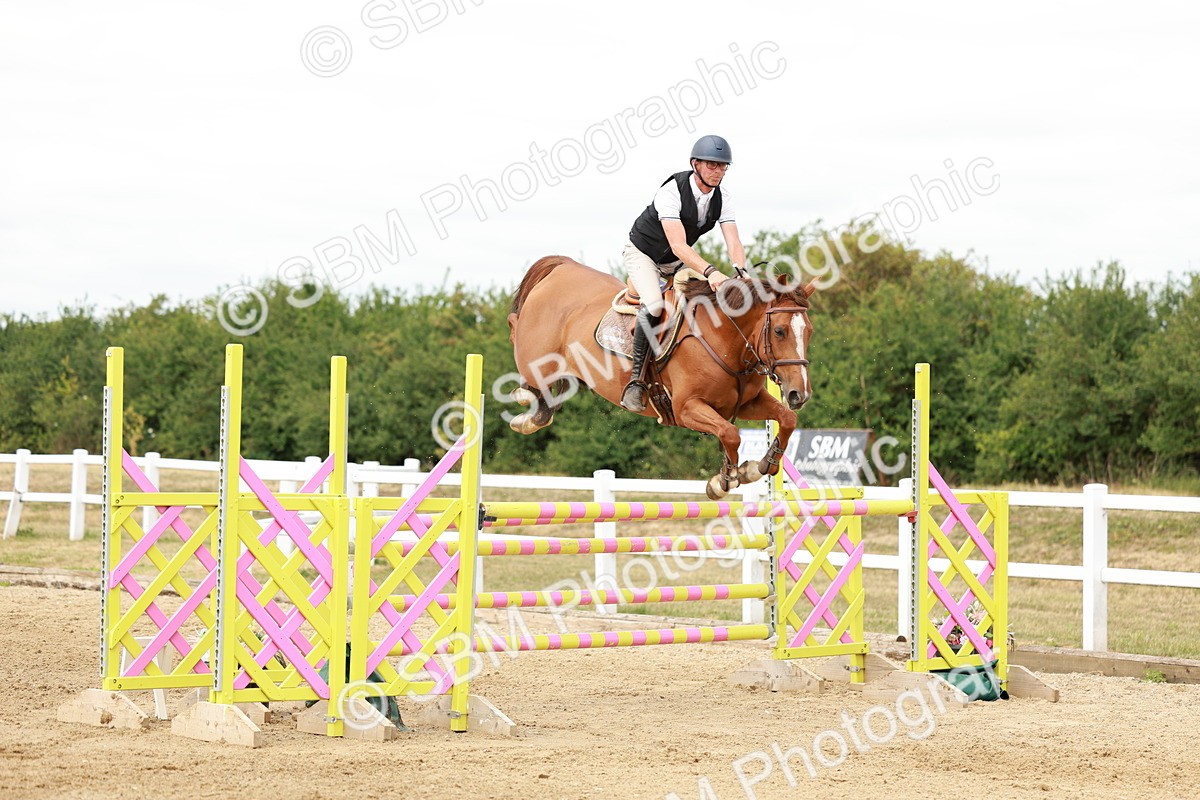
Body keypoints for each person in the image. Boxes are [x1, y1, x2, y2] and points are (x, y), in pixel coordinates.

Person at [619, 134, 748, 412]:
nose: (718, 171)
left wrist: (741, 271)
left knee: (707, 301)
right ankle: (636, 382)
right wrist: (711, 271)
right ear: (695, 164)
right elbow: (678, 245)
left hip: (675, 264)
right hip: (644, 255)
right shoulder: (672, 191)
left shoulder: (723, 198)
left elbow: (734, 241)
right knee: (654, 306)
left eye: (723, 166)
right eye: (712, 165)